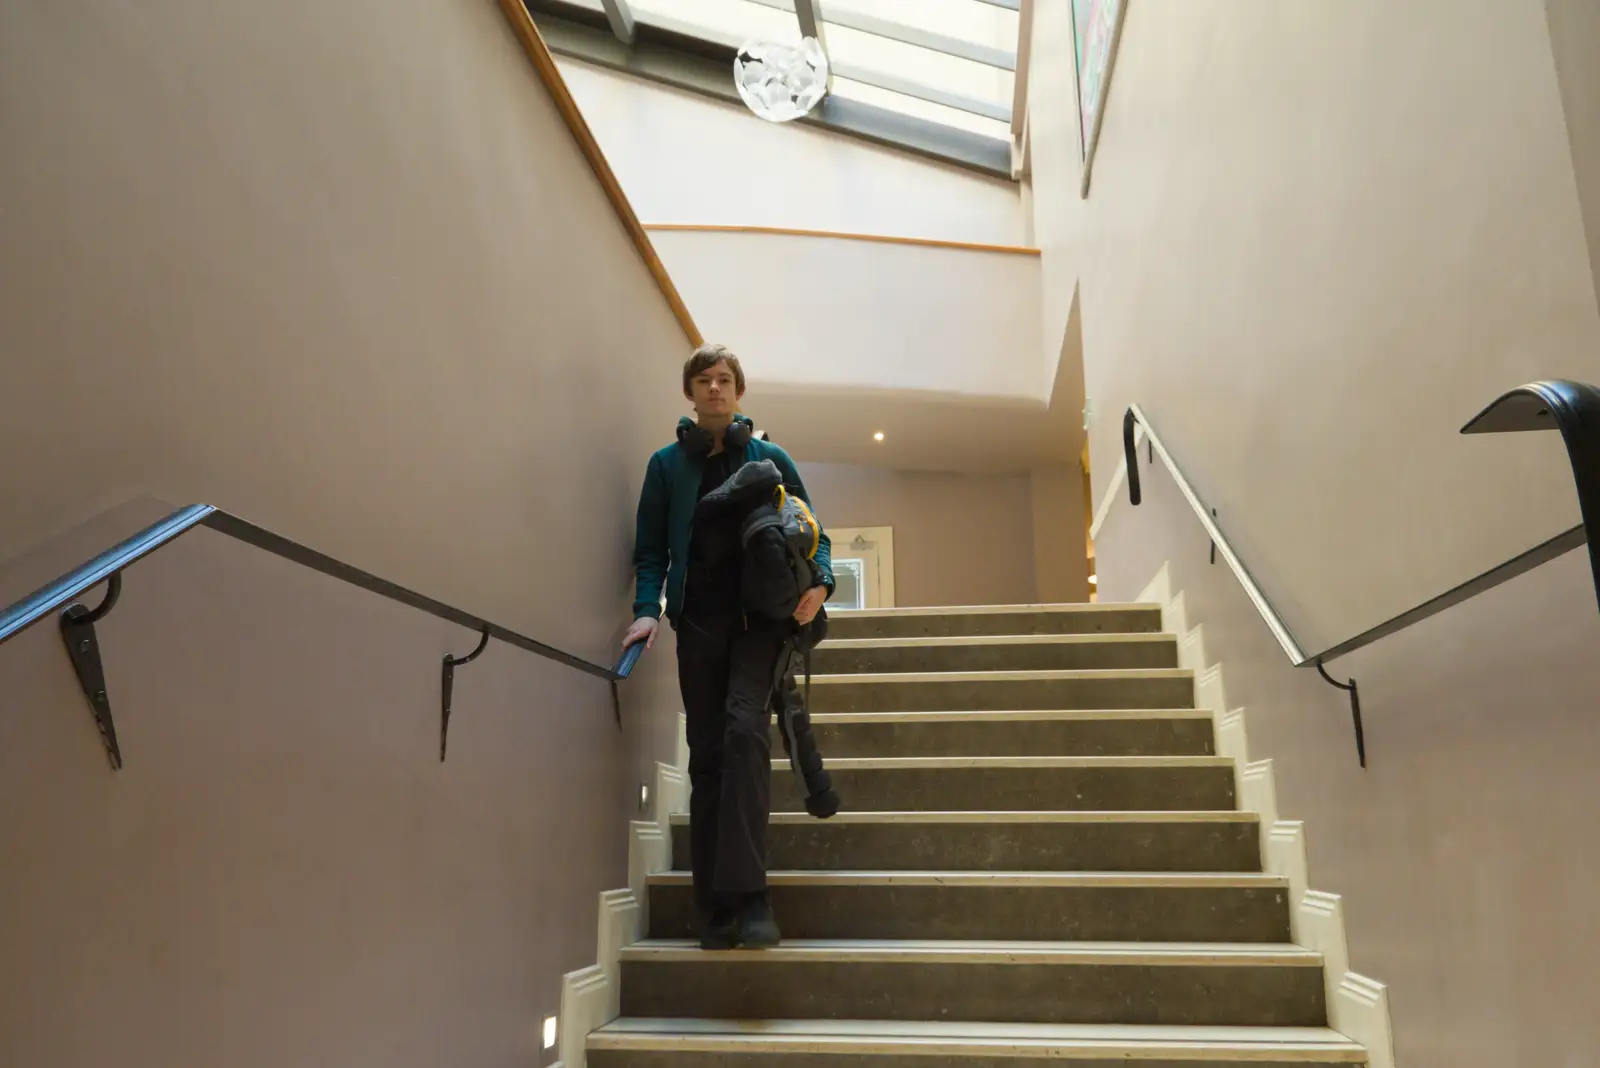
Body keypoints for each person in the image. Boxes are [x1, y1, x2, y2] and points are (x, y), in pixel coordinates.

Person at [622, 344, 833, 950]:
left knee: (745, 736)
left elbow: (811, 531)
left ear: (739, 391)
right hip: (701, 625)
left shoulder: (771, 456)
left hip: (760, 625)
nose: (715, 389)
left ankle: (753, 895)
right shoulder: (666, 466)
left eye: (724, 379)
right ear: (689, 392)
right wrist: (646, 611)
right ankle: (712, 903)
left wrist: (821, 582)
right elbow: (651, 550)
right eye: (703, 380)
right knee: (709, 756)